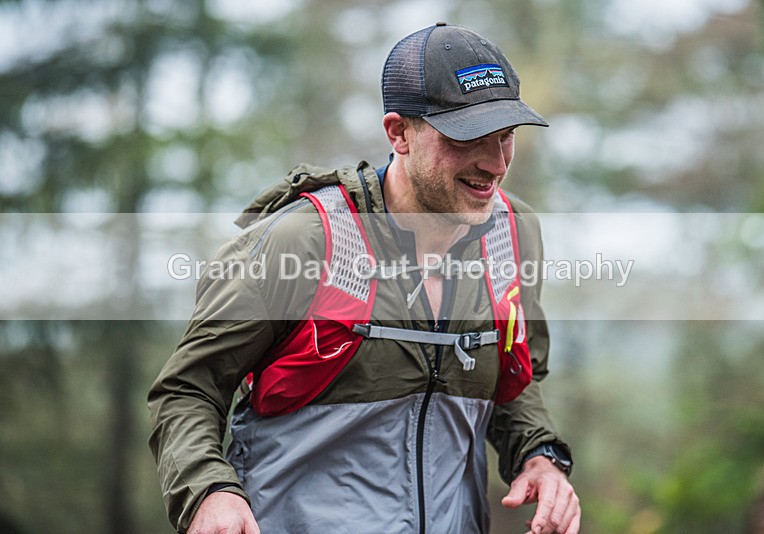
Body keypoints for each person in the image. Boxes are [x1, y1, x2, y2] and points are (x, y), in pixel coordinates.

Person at [149, 22, 580, 534]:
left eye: (506, 136)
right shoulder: (306, 241)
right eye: (469, 138)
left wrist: (539, 455)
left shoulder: (512, 234)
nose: (494, 163)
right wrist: (207, 492)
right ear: (398, 133)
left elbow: (512, 378)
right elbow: (188, 390)